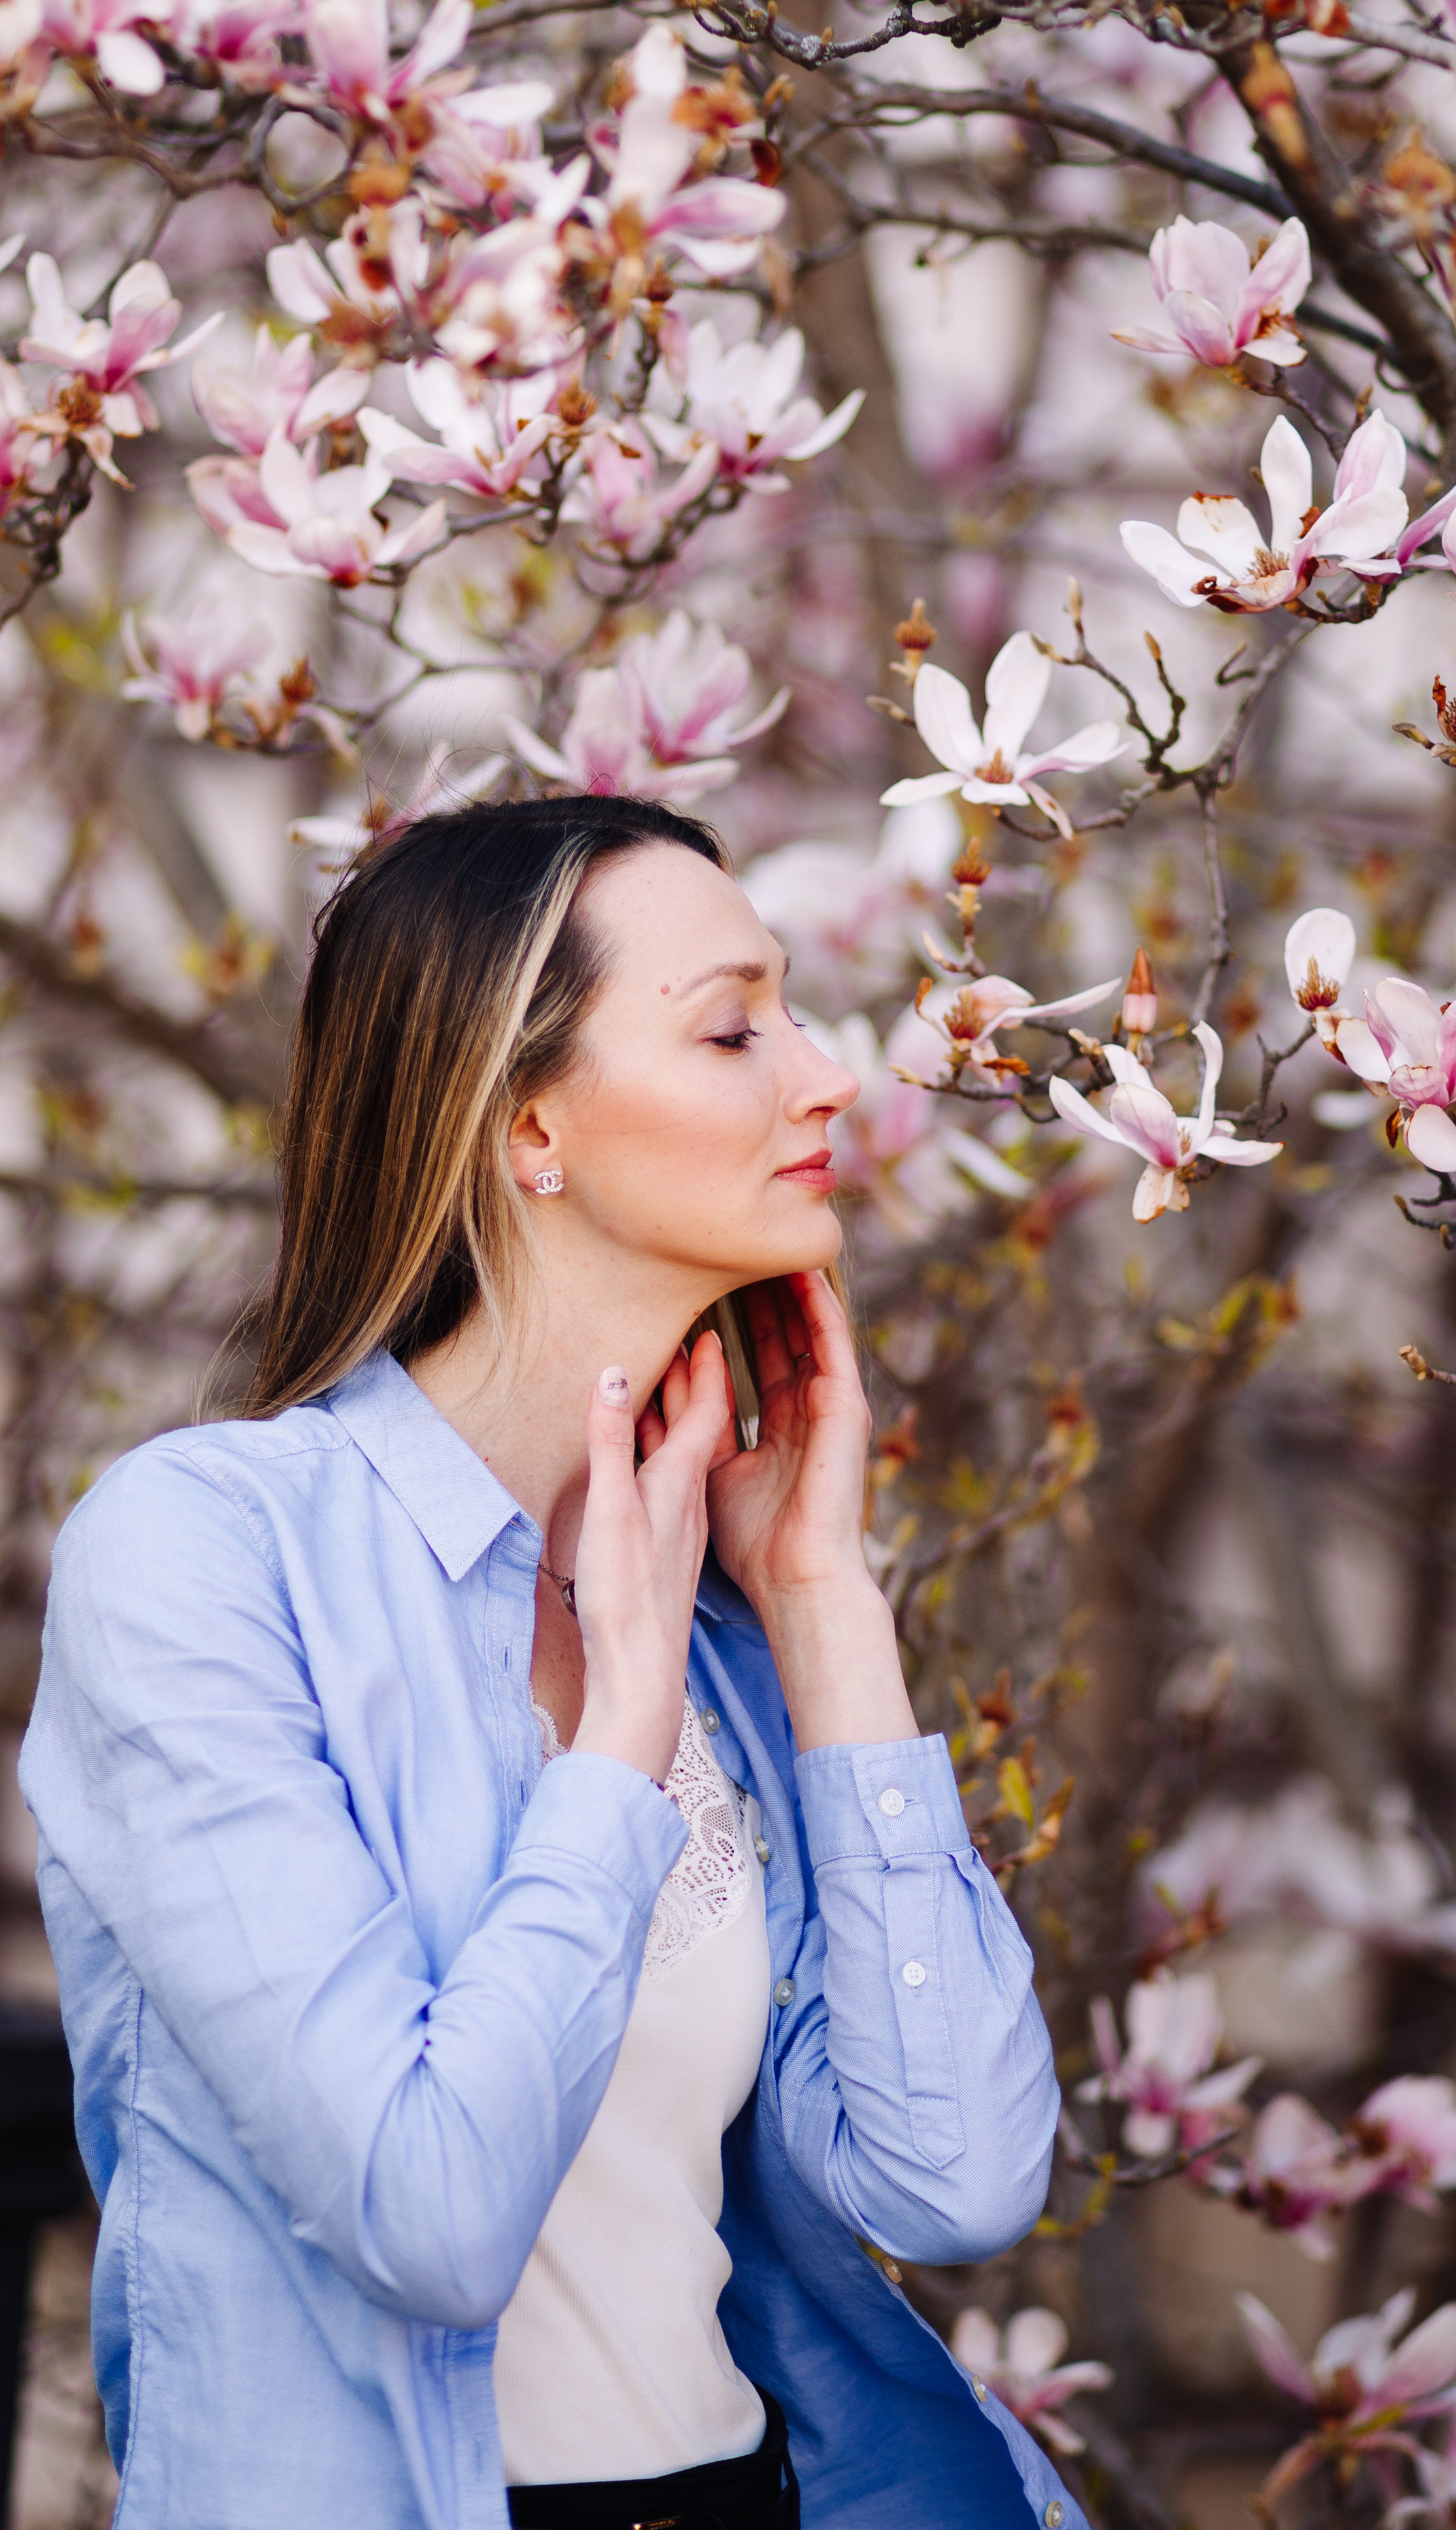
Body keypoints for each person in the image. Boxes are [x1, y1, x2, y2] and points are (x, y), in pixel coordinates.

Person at [20, 795, 1081, 2530]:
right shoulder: (206, 1557)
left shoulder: (722, 1606)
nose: (827, 1078)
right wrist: (618, 1744)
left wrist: (818, 1597)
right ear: (530, 1128)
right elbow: (427, 2216)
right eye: (734, 1030)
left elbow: (954, 2180)